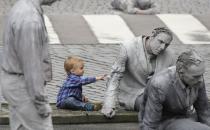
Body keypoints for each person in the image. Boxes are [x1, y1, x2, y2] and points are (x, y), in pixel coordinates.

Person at [0, 0, 61, 129]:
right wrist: (41, 103)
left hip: (15, 83)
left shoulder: (23, 6)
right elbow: (32, 67)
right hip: (24, 88)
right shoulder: (30, 20)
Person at [101, 27, 175, 118]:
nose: (163, 47)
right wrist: (109, 105)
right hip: (131, 94)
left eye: (166, 45)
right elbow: (114, 78)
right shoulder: (128, 47)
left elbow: (173, 82)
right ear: (152, 35)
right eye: (160, 42)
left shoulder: (170, 55)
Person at [140, 50, 210, 130]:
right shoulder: (160, 84)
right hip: (163, 121)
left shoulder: (197, 79)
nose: (201, 79)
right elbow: (150, 123)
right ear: (181, 72)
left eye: (202, 75)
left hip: (185, 117)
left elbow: (204, 111)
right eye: (196, 76)